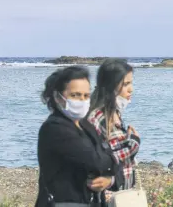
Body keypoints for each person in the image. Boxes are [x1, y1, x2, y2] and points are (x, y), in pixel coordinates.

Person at [36, 66, 118, 207]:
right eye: (75, 95)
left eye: (86, 95)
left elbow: (116, 166)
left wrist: (109, 180)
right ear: (57, 97)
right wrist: (109, 155)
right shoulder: (54, 128)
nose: (82, 100)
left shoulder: (86, 125)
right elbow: (96, 161)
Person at [88, 58, 140, 195]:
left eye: (131, 83)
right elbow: (97, 159)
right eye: (126, 84)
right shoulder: (98, 118)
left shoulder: (114, 114)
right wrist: (133, 144)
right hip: (107, 197)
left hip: (123, 193)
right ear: (111, 86)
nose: (131, 90)